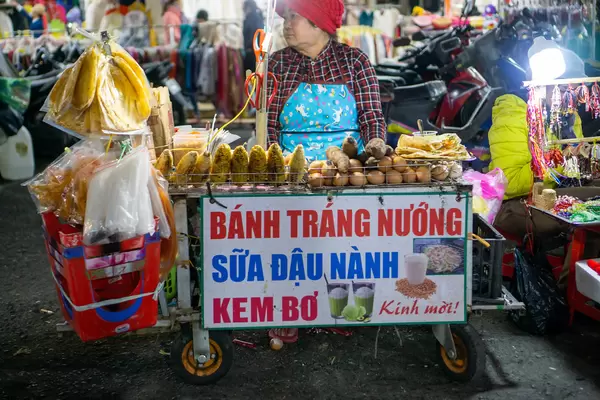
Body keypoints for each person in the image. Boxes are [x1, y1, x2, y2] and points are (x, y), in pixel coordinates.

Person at [266, 0, 386, 343]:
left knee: (343, 245)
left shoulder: (354, 62)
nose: (287, 24)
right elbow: (269, 127)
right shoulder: (277, 64)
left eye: (295, 17)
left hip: (343, 171)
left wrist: (375, 148)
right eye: (286, 17)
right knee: (290, 247)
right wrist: (280, 173)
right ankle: (288, 310)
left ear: (319, 24)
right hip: (294, 171)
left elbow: (371, 116)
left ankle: (341, 307)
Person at [242, 0, 264, 73]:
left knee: (251, 74)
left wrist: (249, 47)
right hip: (255, 51)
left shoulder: (252, 18)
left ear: (248, 7)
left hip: (252, 51)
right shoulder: (257, 17)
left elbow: (254, 34)